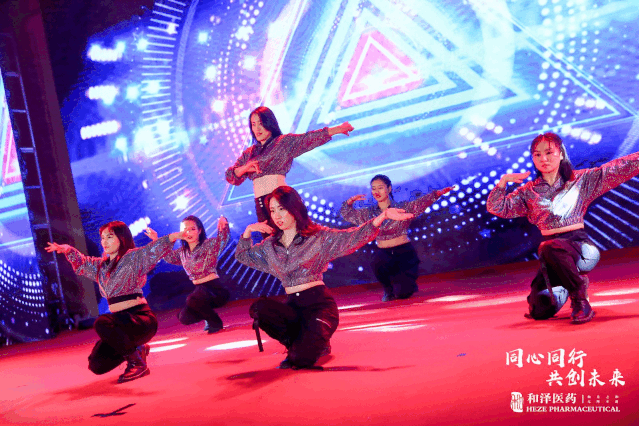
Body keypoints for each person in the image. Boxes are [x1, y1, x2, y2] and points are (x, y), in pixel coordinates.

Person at [235, 186, 414, 370]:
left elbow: (352, 237)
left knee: (299, 361)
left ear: (294, 208)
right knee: (260, 309)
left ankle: (313, 343)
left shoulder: (318, 237)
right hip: (292, 307)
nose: (277, 215)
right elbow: (243, 256)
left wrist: (382, 217)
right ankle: (295, 342)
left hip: (318, 306)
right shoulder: (269, 246)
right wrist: (247, 233)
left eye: (281, 208)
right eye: (272, 210)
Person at [487, 132, 639, 324]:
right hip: (551, 254)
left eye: (549, 153)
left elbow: (618, 168)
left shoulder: (581, 180)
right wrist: (503, 182)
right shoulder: (528, 192)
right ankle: (570, 280)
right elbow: (497, 207)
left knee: (549, 247)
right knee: (539, 311)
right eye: (537, 155)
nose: (543, 159)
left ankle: (580, 299)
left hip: (581, 247)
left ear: (561, 154)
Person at [45, 221, 184, 383]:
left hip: (140, 320)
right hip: (120, 324)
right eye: (102, 238)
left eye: (109, 237)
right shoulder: (100, 266)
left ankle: (137, 363)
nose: (104, 241)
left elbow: (152, 251)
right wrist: (68, 250)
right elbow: (82, 263)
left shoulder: (132, 258)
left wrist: (173, 237)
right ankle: (138, 350)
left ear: (121, 238)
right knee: (96, 365)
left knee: (102, 322)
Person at [225, 106, 354, 227]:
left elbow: (308, 138)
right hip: (261, 205)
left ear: (269, 123)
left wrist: (338, 129)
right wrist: (245, 168)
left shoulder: (283, 142)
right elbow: (231, 177)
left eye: (261, 123)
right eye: (253, 124)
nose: (257, 128)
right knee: (270, 240)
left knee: (293, 237)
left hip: (281, 200)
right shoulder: (249, 153)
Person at [341, 175, 453, 301]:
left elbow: (420, 203)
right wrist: (350, 201)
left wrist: (437, 194)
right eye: (373, 188)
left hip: (404, 253)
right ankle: (388, 290)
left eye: (380, 188)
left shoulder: (402, 207)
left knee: (403, 294)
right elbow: (346, 213)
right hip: (384, 254)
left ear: (389, 189)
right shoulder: (368, 213)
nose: (376, 192)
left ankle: (407, 284)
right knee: (377, 261)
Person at [146, 216, 230, 334]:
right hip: (200, 291)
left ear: (199, 231)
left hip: (215, 290)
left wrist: (223, 226)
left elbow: (222, 240)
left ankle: (215, 323)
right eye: (185, 230)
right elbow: (168, 256)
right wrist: (156, 239)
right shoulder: (182, 252)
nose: (189, 232)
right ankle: (207, 316)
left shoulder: (209, 244)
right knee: (184, 317)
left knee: (193, 299)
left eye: (192, 229)